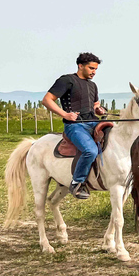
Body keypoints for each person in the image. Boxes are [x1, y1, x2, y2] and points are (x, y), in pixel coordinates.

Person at [42, 52, 107, 199]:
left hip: (94, 123)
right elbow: (47, 100)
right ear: (80, 66)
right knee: (90, 150)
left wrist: (98, 109)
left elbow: (95, 104)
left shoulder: (93, 86)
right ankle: (77, 183)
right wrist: (65, 114)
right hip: (75, 126)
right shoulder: (67, 80)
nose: (94, 72)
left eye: (96, 69)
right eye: (91, 68)